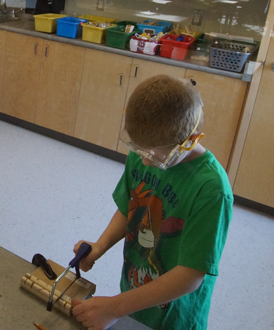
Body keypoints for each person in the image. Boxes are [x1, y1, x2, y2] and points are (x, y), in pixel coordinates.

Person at [70, 75, 232, 330]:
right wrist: (100, 246)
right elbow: (130, 208)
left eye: (155, 156)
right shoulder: (143, 153)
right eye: (139, 150)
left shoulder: (211, 189)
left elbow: (190, 276)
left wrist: (113, 307)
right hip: (135, 295)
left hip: (174, 315)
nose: (145, 162)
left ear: (191, 140)